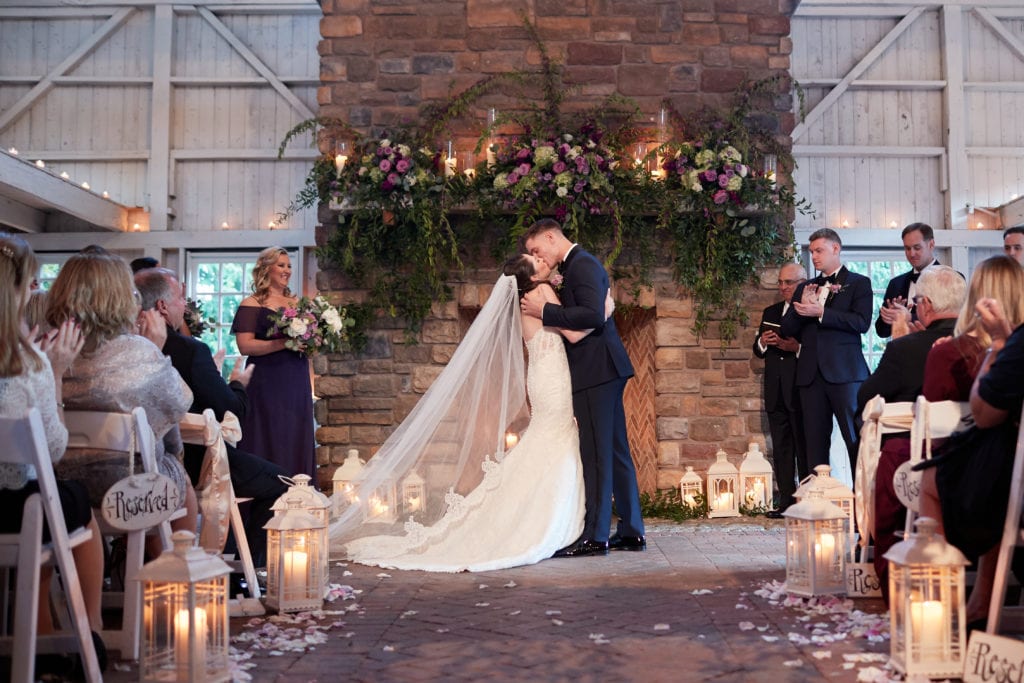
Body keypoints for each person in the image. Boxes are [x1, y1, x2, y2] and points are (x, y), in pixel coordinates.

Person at [333, 256, 597, 571]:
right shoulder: (543, 294)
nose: (542, 260)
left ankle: (524, 510)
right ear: (531, 275)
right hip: (554, 377)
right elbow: (573, 333)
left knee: (546, 439)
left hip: (541, 377)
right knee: (556, 438)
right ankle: (547, 518)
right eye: (535, 260)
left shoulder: (525, 299)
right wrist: (600, 311)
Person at [0, 233, 107, 669]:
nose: (38, 292)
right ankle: (87, 631)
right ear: (19, 290)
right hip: (13, 508)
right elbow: (54, 449)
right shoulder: (29, 363)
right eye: (34, 283)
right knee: (68, 500)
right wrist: (57, 374)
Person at [45, 250, 198, 551]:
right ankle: (171, 579)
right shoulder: (136, 351)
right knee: (178, 477)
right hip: (128, 490)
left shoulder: (49, 350)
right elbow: (180, 401)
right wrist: (155, 350)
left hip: (59, 486)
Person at [135, 267, 288, 567]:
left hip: (138, 465)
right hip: (196, 463)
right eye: (181, 297)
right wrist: (237, 384)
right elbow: (230, 410)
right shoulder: (191, 352)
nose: (185, 305)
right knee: (281, 483)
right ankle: (250, 571)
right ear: (163, 307)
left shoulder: (126, 348)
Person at [521, 219, 645, 556]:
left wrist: (544, 309)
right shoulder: (571, 267)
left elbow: (590, 315)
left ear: (550, 237)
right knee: (615, 450)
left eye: (536, 249)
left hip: (597, 370)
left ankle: (596, 535)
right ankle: (632, 530)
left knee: (597, 453)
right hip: (602, 368)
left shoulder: (582, 264)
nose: (537, 256)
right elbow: (592, 314)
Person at [917, 255, 1024, 627]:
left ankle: (939, 598)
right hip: (1008, 460)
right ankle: (980, 598)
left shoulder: (958, 351)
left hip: (1008, 465)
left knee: (930, 478)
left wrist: (998, 344)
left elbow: (982, 412)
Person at [855, 265, 966, 600]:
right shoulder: (981, 346)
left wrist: (902, 343)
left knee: (891, 452)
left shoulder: (906, 349)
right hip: (970, 459)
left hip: (912, 463)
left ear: (927, 304)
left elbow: (865, 400)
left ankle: (899, 582)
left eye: (917, 301)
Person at [780, 228, 872, 472]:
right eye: (811, 252)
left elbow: (861, 323)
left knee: (856, 439)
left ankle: (861, 500)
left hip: (845, 374)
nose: (814, 257)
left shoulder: (859, 283)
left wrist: (822, 313)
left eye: (819, 250)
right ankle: (817, 504)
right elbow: (787, 327)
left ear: (835, 248)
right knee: (814, 444)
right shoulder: (805, 287)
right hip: (811, 376)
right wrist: (802, 310)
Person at [231, 247, 315, 479]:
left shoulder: (297, 302)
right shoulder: (253, 303)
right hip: (267, 379)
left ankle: (298, 500)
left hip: (296, 377)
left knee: (295, 432)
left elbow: (308, 339)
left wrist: (313, 341)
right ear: (266, 268)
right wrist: (281, 344)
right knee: (268, 432)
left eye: (288, 266)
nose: (287, 270)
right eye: (281, 265)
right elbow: (245, 345)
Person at [753, 262, 808, 516]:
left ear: (803, 283)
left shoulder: (808, 312)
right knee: (782, 449)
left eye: (790, 282)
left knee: (804, 448)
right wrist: (763, 342)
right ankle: (786, 501)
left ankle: (807, 501)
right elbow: (757, 350)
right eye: (781, 282)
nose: (784, 287)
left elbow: (814, 350)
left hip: (800, 390)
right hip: (775, 391)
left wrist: (794, 348)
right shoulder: (771, 311)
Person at [875, 223, 941, 338]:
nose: (911, 254)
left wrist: (909, 317)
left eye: (917, 248)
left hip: (937, 351)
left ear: (931, 244)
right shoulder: (896, 283)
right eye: (907, 248)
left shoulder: (951, 278)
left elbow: (953, 322)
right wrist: (891, 316)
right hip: (901, 352)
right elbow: (881, 332)